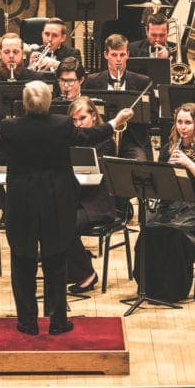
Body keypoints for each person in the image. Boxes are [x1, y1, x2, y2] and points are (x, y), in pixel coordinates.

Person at [0, 80, 133, 335]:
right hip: (56, 202)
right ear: (49, 102)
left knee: (22, 261)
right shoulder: (61, 125)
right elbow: (90, 135)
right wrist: (115, 122)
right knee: (56, 260)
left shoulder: (10, 127)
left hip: (22, 204)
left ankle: (27, 322)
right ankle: (58, 320)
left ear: (24, 104)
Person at [135, 103, 195, 303]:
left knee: (175, 232)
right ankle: (149, 288)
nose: (183, 127)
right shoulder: (168, 149)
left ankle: (173, 290)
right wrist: (166, 170)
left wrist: (189, 164)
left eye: (188, 123)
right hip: (173, 205)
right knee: (149, 228)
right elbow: (159, 185)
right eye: (180, 122)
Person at [64, 97, 117, 294]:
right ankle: (69, 269)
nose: (78, 124)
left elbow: (99, 178)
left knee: (65, 225)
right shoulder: (68, 140)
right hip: (75, 200)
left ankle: (87, 273)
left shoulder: (106, 142)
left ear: (94, 117)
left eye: (82, 118)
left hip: (97, 204)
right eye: (74, 120)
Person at [82, 34, 152, 160]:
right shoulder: (92, 81)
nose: (118, 60)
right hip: (102, 139)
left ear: (128, 55)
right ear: (106, 55)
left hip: (131, 140)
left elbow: (152, 116)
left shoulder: (142, 82)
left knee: (139, 165)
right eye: (114, 55)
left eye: (122, 55)